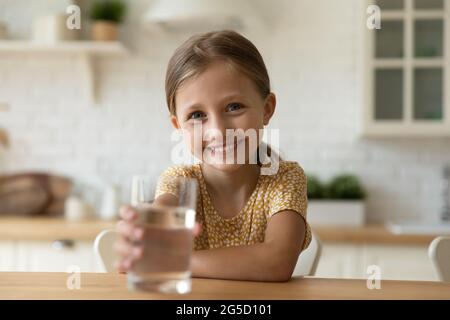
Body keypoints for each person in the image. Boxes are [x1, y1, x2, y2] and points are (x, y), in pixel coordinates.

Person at [115, 30, 311, 282]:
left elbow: (277, 262)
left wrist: (170, 260)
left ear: (266, 109)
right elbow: (153, 233)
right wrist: (142, 238)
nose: (218, 131)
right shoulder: (179, 181)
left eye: (234, 107)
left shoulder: (284, 178)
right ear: (178, 125)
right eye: (197, 115)